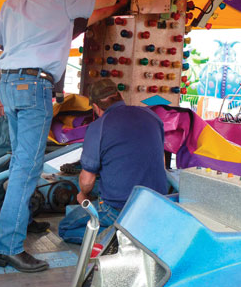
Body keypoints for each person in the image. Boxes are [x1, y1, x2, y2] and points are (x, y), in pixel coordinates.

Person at [0, 0, 126, 273]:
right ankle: (7, 246)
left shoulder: (13, 3)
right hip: (35, 87)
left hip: (9, 83)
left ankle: (21, 221)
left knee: (21, 161)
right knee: (27, 167)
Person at [58, 78, 167, 244]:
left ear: (95, 107)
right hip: (156, 203)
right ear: (120, 95)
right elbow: (162, 160)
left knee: (65, 228)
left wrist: (83, 196)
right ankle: (131, 233)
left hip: (119, 207)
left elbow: (87, 181)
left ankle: (116, 239)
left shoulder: (98, 127)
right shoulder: (151, 116)